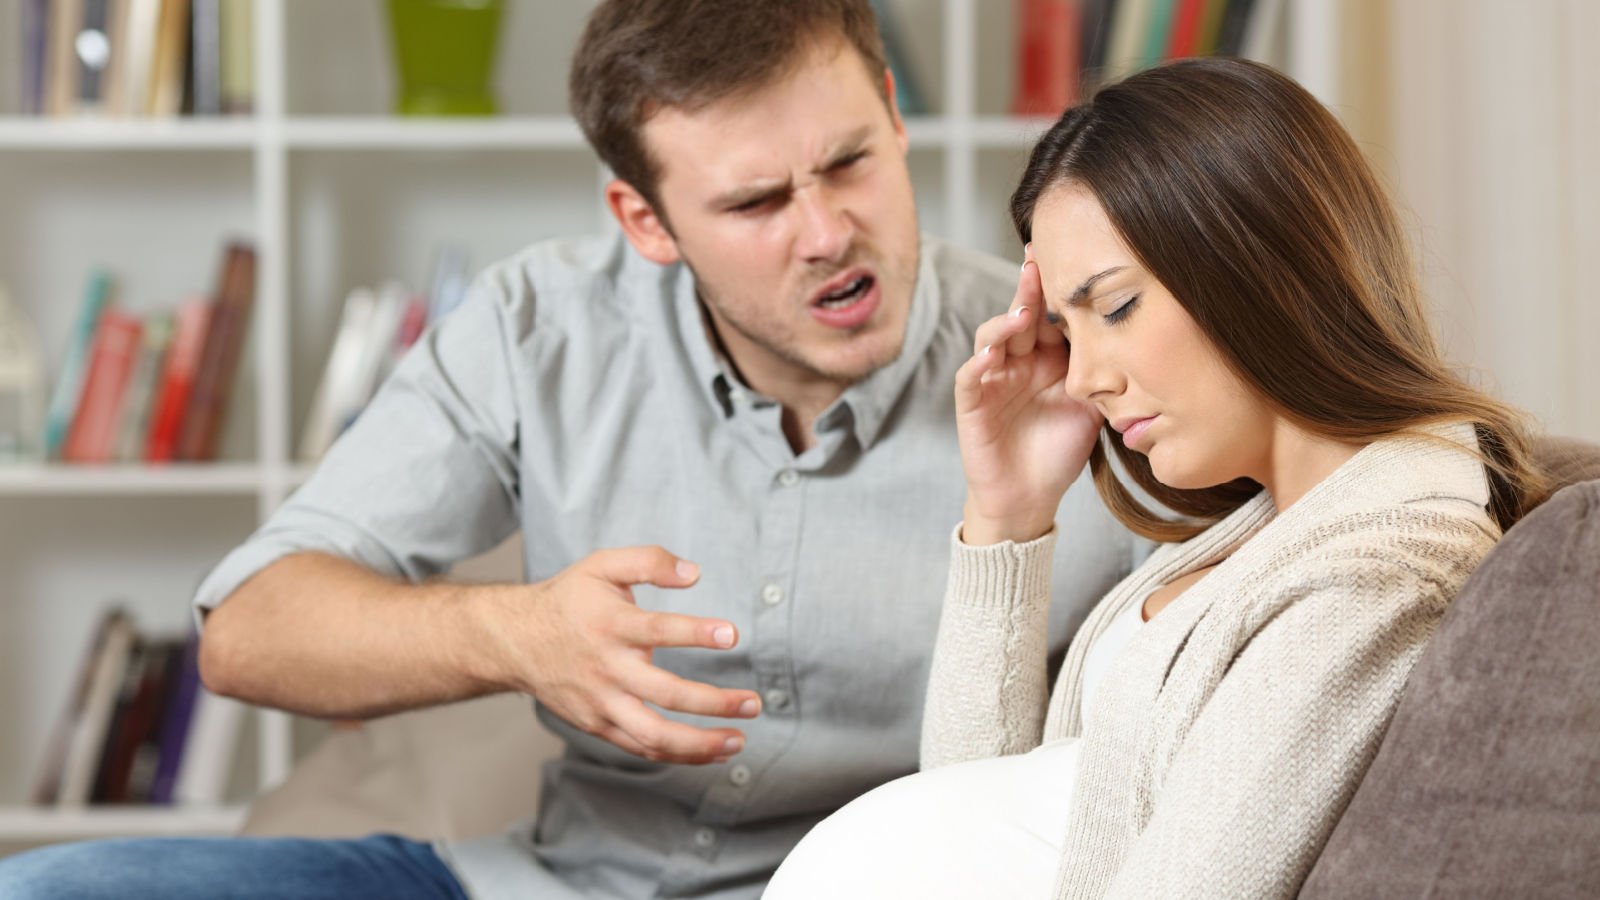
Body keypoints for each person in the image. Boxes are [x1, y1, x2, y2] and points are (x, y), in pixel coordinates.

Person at [0, 2, 1145, 899]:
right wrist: (516, 633)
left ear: (895, 113)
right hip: (542, 885)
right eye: (753, 202)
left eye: (849, 162)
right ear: (644, 221)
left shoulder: (1078, 365)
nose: (826, 232)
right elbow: (248, 629)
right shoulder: (536, 327)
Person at [765, 57, 1551, 899]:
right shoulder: (1270, 527)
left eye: (1115, 307)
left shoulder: (1379, 574)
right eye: (1068, 328)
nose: (1081, 378)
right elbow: (972, 800)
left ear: (1262, 263)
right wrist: (1008, 512)